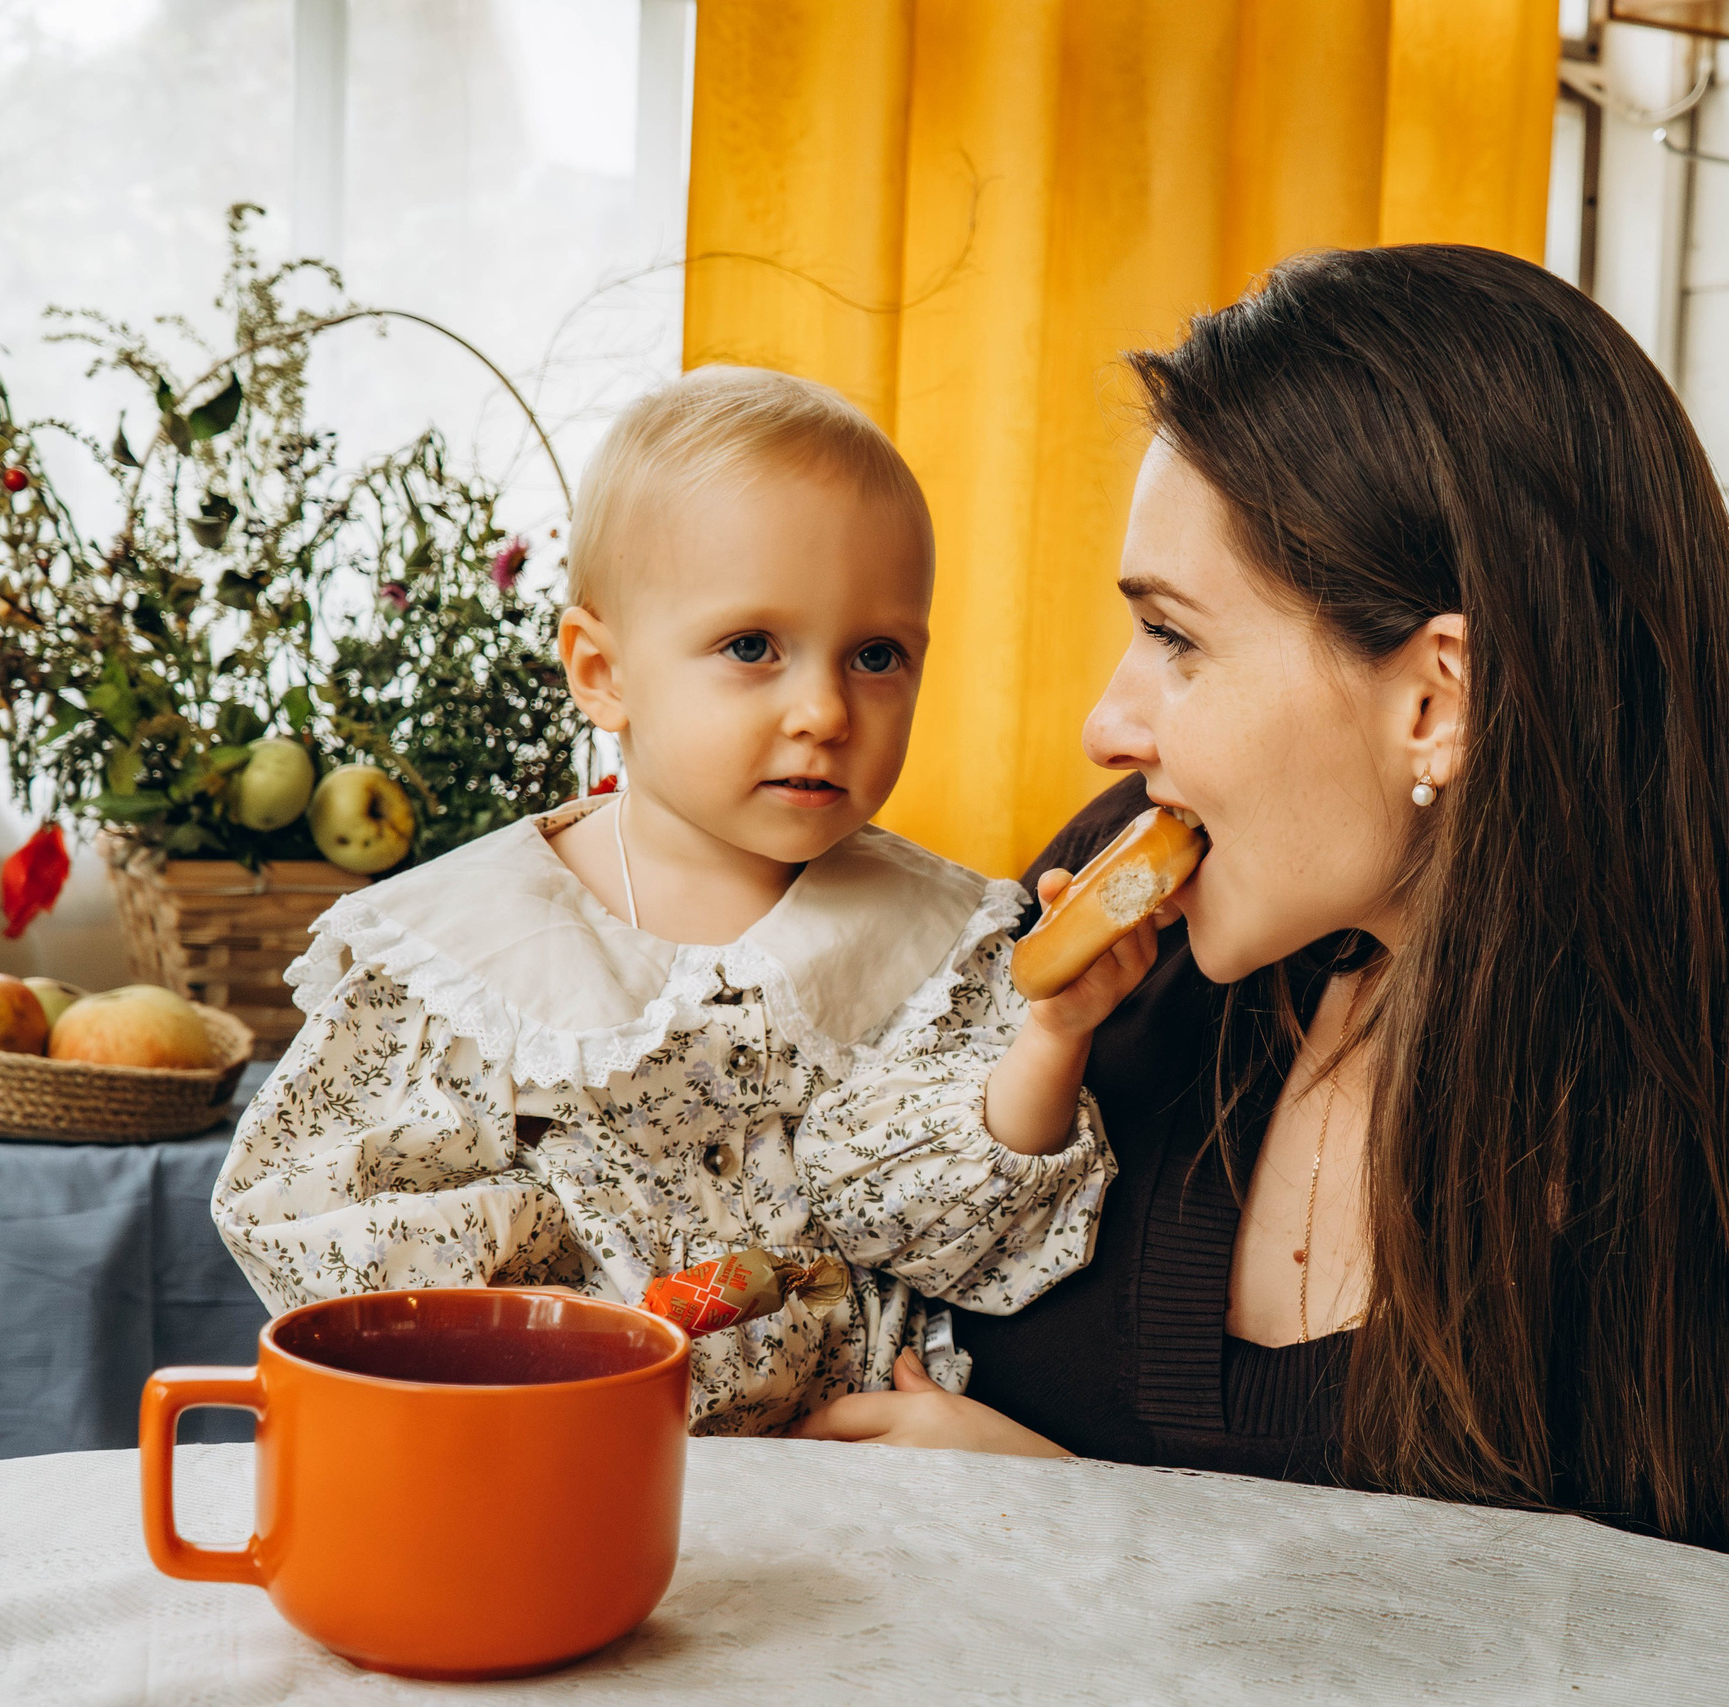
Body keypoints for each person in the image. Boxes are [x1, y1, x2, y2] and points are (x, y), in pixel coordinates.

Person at [791, 245, 1729, 1611]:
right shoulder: (1121, 932)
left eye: (1177, 637)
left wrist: (1076, 1527)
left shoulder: (1721, 1239)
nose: (1109, 725)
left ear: (1438, 699)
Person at [213, 366, 1153, 1435]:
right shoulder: (467, 950)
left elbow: (950, 1235)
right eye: (752, 647)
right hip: (557, 1463)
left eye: (877, 655)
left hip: (862, 1483)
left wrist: (1051, 1038)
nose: (824, 709)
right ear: (601, 671)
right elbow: (324, 1220)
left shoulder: (939, 937)